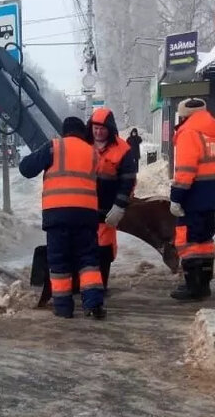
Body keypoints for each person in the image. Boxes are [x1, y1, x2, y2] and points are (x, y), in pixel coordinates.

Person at [19, 116, 106, 319]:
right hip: (86, 215)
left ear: (64, 131)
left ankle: (63, 307)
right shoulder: (92, 153)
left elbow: (26, 168)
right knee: (88, 261)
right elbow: (99, 183)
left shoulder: (54, 147)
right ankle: (93, 304)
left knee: (59, 262)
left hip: (57, 215)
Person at [169, 98, 215, 301]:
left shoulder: (189, 133)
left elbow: (185, 170)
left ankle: (192, 286)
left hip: (193, 195)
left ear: (184, 115)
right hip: (213, 195)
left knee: (188, 240)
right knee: (204, 239)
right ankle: (203, 285)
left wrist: (177, 197)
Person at [87, 107, 137, 291]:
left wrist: (119, 206)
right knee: (84, 247)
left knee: (104, 248)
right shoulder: (84, 144)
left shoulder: (123, 150)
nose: (98, 132)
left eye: (102, 128)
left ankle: (100, 285)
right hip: (84, 207)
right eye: (95, 128)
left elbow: (128, 180)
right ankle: (83, 284)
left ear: (110, 128)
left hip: (107, 210)